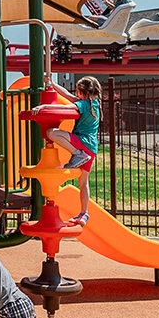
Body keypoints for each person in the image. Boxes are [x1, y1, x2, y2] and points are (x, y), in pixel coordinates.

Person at [43, 77, 101, 225]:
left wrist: (44, 107)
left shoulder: (82, 104)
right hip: (92, 147)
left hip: (83, 143)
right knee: (83, 182)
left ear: (81, 91)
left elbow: (67, 107)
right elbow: (68, 96)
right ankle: (84, 213)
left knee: (51, 132)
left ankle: (78, 154)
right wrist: (52, 84)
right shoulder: (94, 103)